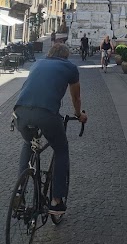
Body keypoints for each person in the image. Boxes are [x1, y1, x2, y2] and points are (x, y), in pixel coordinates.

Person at [13, 43, 87, 215]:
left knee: (28, 143)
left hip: (20, 112)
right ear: (66, 55)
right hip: (46, 113)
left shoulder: (37, 63)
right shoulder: (70, 67)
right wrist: (79, 115)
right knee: (61, 149)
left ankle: (19, 192)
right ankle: (56, 200)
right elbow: (76, 97)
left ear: (50, 54)